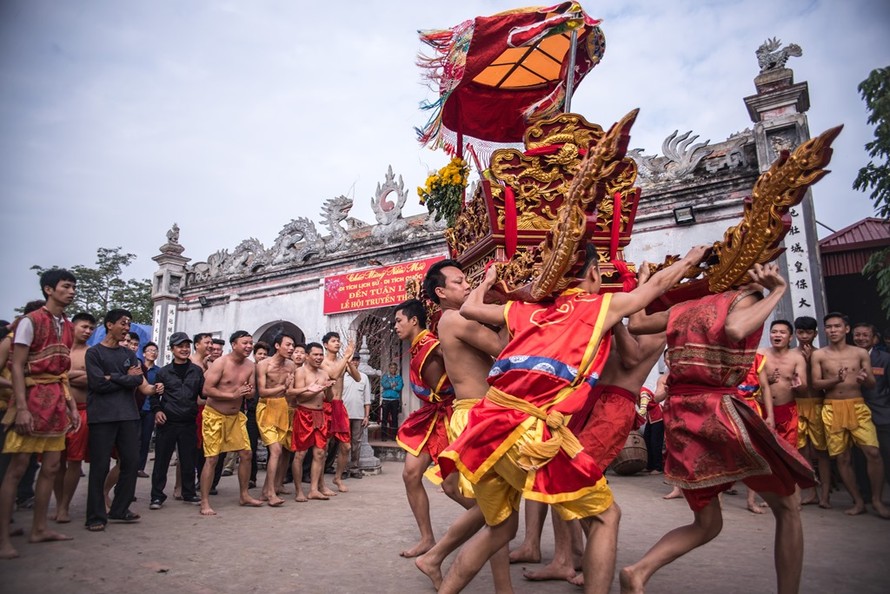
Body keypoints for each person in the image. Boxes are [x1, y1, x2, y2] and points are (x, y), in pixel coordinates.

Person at [437, 245, 710, 594]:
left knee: (500, 529)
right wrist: (688, 261)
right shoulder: (597, 307)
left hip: (483, 427)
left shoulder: (525, 308)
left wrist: (487, 280)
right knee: (606, 516)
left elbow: (472, 307)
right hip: (525, 431)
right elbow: (652, 290)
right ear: (594, 275)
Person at [620, 264, 816, 594]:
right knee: (788, 505)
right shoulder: (743, 297)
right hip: (719, 410)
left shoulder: (683, 308)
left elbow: (637, 323)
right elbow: (738, 330)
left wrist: (643, 283)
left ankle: (638, 571)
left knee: (708, 524)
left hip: (682, 415)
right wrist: (777, 291)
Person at [515, 322, 667, 585]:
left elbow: (631, 358)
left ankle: (594, 560)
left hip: (616, 404)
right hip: (588, 399)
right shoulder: (621, 312)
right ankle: (566, 557)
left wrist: (616, 320)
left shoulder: (657, 324)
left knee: (577, 479)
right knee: (555, 473)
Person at [413, 260, 512, 592]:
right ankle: (436, 555)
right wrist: (505, 300)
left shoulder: (456, 318)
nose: (467, 285)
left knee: (499, 512)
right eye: (459, 282)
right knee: (498, 515)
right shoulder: (454, 318)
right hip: (475, 416)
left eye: (468, 281)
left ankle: (503, 589)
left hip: (481, 413)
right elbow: (502, 348)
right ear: (441, 292)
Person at [0, 270, 80, 559]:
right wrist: (21, 407)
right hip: (32, 400)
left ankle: (39, 527)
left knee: (50, 468)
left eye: (73, 287)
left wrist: (70, 406)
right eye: (66, 286)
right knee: (17, 469)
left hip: (57, 402)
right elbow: (18, 368)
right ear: (49, 289)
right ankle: (3, 537)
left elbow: (62, 374)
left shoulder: (67, 326)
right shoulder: (29, 322)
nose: (71, 291)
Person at [84, 309, 161, 531]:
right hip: (102, 416)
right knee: (99, 466)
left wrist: (114, 378)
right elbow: (97, 384)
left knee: (130, 462)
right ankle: (96, 516)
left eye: (129, 324)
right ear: (109, 325)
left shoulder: (128, 356)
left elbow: (137, 380)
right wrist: (125, 379)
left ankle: (120, 508)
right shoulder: (94, 353)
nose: (127, 328)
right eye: (123, 323)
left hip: (128, 415)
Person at [811, 313, 889, 518]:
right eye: (829, 327)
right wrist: (835, 380)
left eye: (837, 326)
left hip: (857, 406)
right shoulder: (819, 355)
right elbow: (816, 384)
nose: (833, 330)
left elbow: (871, 382)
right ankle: (858, 501)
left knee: (873, 452)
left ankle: (877, 501)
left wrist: (865, 380)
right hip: (832, 406)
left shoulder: (859, 353)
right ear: (824, 330)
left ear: (846, 329)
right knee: (842, 457)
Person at [393, 299, 454, 559]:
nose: (395, 326)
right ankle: (427, 538)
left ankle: (493, 524)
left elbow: (455, 373)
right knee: (410, 475)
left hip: (449, 417)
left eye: (398, 320)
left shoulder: (431, 347)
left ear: (414, 320)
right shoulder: (418, 348)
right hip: (430, 416)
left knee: (452, 487)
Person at [198, 331, 263, 515]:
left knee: (247, 453)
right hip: (215, 415)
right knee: (212, 458)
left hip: (236, 417)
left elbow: (250, 393)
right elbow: (206, 389)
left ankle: (244, 495)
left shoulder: (251, 365)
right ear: (234, 344)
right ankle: (204, 501)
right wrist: (232, 394)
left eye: (251, 343)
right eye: (245, 343)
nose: (249, 346)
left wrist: (247, 391)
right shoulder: (221, 363)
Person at [149, 333, 203, 509]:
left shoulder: (196, 371)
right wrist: (157, 411)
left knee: (188, 460)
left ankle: (189, 493)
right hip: (168, 422)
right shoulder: (163, 372)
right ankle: (157, 496)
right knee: (162, 461)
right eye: (180, 346)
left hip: (188, 421)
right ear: (172, 349)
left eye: (187, 346)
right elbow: (155, 396)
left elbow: (204, 393)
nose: (184, 349)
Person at [51, 312, 96, 524]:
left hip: (82, 410)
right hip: (56, 410)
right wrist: (72, 377)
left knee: (74, 460)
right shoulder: (58, 349)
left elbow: (94, 380)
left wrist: (66, 376)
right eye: (84, 327)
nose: (87, 331)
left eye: (91, 328)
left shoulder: (91, 354)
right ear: (72, 327)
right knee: (55, 462)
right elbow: (50, 376)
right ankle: (59, 501)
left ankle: (64, 506)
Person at [256, 333, 298, 506]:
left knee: (280, 451)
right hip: (266, 407)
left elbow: (291, 391)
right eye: (287, 345)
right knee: (276, 451)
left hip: (282, 407)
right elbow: (262, 391)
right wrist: (283, 386)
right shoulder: (263, 364)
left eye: (292, 345)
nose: (291, 348)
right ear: (277, 346)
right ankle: (271, 493)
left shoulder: (291, 365)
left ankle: (267, 490)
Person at [289, 342, 334, 502]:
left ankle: (314, 489)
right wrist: (316, 389)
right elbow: (299, 397)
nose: (319, 357)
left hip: (320, 414)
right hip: (304, 413)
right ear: (307, 356)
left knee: (320, 453)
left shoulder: (324, 373)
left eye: (320, 354)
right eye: (315, 354)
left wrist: (327, 388)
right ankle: (299, 490)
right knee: (300, 453)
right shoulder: (300, 372)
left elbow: (329, 398)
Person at [794, 315, 832, 507]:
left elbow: (824, 383)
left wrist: (811, 362)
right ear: (796, 333)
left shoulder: (822, 354)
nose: (805, 336)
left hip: (817, 403)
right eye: (801, 332)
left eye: (809, 332)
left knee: (821, 451)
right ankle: (810, 493)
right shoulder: (792, 354)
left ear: (816, 333)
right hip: (797, 404)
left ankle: (825, 495)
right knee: (801, 451)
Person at [852, 323, 890, 491]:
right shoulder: (848, 357)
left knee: (885, 454)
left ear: (874, 338)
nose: (861, 338)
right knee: (859, 456)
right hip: (855, 412)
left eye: (865, 335)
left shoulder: (885, 358)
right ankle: (865, 492)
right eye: (857, 335)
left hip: (881, 413)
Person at [320, 332, 358, 494]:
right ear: (325, 344)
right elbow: (333, 375)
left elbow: (357, 378)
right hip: (326, 405)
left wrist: (349, 362)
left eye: (338, 341)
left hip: (339, 406)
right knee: (323, 446)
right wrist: (345, 357)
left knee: (346, 446)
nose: (337, 344)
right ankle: (320, 481)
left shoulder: (343, 361)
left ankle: (338, 477)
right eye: (333, 341)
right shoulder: (323, 362)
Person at [341, 353, 371, 478]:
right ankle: (342, 469)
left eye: (357, 360)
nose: (355, 362)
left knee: (356, 443)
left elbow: (367, 399)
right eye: (353, 359)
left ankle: (354, 468)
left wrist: (366, 416)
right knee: (343, 443)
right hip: (344, 415)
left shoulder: (363, 377)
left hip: (358, 415)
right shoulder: (342, 376)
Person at [244, 341, 269, 488]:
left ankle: (270, 481)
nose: (262, 356)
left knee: (272, 446)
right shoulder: (249, 370)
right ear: (254, 355)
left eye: (265, 354)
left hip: (268, 412)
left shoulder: (270, 370)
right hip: (252, 413)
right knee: (250, 446)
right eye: (260, 354)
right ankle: (251, 477)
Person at [136, 341, 160, 478]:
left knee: (146, 439)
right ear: (144, 353)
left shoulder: (159, 371)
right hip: (136, 408)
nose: (153, 353)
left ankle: (140, 467)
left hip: (150, 409)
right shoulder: (138, 368)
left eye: (155, 351)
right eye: (150, 350)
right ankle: (131, 465)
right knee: (135, 439)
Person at [380, 362, 403, 440]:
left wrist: (390, 386)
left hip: (395, 400)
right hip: (386, 400)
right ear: (389, 369)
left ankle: (394, 436)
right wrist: (392, 385)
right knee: (384, 418)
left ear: (396, 369)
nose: (393, 369)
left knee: (394, 418)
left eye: (394, 368)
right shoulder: (385, 377)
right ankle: (383, 436)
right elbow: (384, 385)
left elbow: (399, 387)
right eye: (391, 367)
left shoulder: (399, 378)